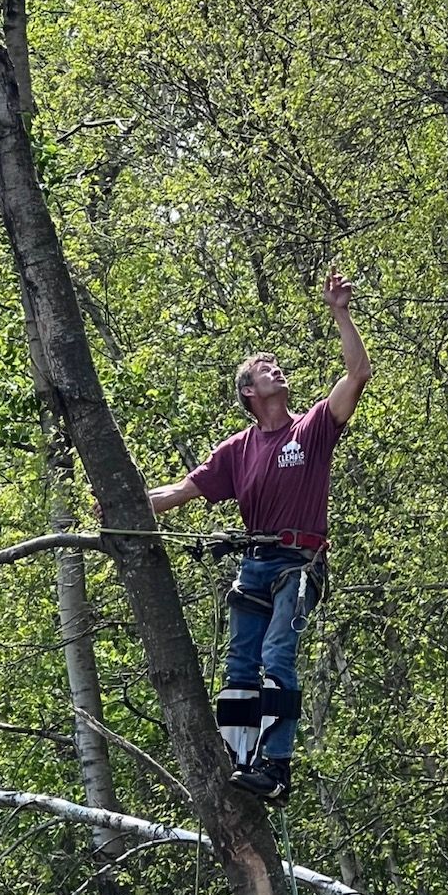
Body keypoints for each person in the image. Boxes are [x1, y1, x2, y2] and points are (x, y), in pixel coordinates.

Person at [148, 269, 371, 802]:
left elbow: (358, 373)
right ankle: (239, 756)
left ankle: (276, 766)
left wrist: (340, 311)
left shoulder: (311, 428)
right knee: (240, 664)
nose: (278, 370)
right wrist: (117, 502)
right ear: (250, 391)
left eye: (276, 365)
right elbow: (178, 492)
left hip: (298, 561)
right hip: (255, 563)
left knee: (276, 656)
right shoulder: (238, 450)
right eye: (265, 369)